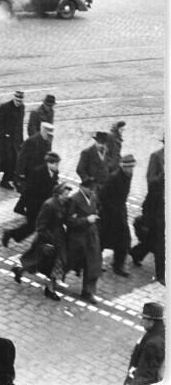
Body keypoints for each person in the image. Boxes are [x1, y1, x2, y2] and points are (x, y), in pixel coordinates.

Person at [12, 182, 73, 300]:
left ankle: (50, 289)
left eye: (68, 194)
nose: (67, 196)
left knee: (55, 265)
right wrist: (49, 240)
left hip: (59, 240)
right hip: (46, 241)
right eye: (65, 194)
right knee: (36, 262)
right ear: (58, 194)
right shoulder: (49, 205)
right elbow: (40, 225)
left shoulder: (63, 204)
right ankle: (20, 271)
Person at [2, 151, 60, 248]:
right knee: (32, 226)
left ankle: (12, 234)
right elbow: (28, 191)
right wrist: (21, 205)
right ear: (49, 163)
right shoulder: (37, 172)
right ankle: (10, 233)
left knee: (35, 226)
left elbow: (53, 183)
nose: (57, 167)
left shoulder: (54, 172)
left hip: (44, 204)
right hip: (33, 204)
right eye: (56, 164)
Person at [131, 141, 165, 284]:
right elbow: (151, 181)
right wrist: (164, 173)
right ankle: (160, 275)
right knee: (161, 242)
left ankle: (136, 253)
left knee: (153, 240)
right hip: (156, 205)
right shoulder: (156, 156)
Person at [64, 179, 103, 304]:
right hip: (77, 238)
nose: (92, 192)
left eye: (93, 189)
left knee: (93, 264)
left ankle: (88, 291)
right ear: (82, 187)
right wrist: (86, 220)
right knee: (69, 262)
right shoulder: (74, 200)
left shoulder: (93, 197)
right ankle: (54, 277)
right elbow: (69, 221)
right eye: (90, 189)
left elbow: (96, 209)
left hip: (91, 236)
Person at [99, 154, 136, 277]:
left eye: (132, 167)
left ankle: (118, 265)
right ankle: (96, 262)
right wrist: (112, 209)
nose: (131, 170)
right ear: (123, 167)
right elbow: (103, 195)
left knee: (124, 240)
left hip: (120, 212)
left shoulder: (128, 176)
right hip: (108, 215)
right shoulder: (114, 178)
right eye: (129, 167)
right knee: (102, 239)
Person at [0, 91, 25, 189]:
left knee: (13, 160)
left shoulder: (22, 108)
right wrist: (4, 134)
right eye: (17, 100)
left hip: (16, 139)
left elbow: (20, 125)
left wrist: (21, 140)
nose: (18, 103)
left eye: (20, 101)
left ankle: (5, 180)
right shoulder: (5, 107)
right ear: (14, 98)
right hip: (4, 140)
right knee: (2, 159)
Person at [124, 302, 165, 385]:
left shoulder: (153, 345)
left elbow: (145, 377)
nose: (141, 321)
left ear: (152, 321)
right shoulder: (155, 332)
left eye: (143, 318)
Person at [15, 122, 54, 191]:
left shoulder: (48, 140)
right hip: (30, 173)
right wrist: (20, 174)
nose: (49, 137)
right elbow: (21, 158)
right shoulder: (31, 141)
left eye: (50, 135)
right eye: (48, 134)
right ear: (43, 131)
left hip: (40, 173)